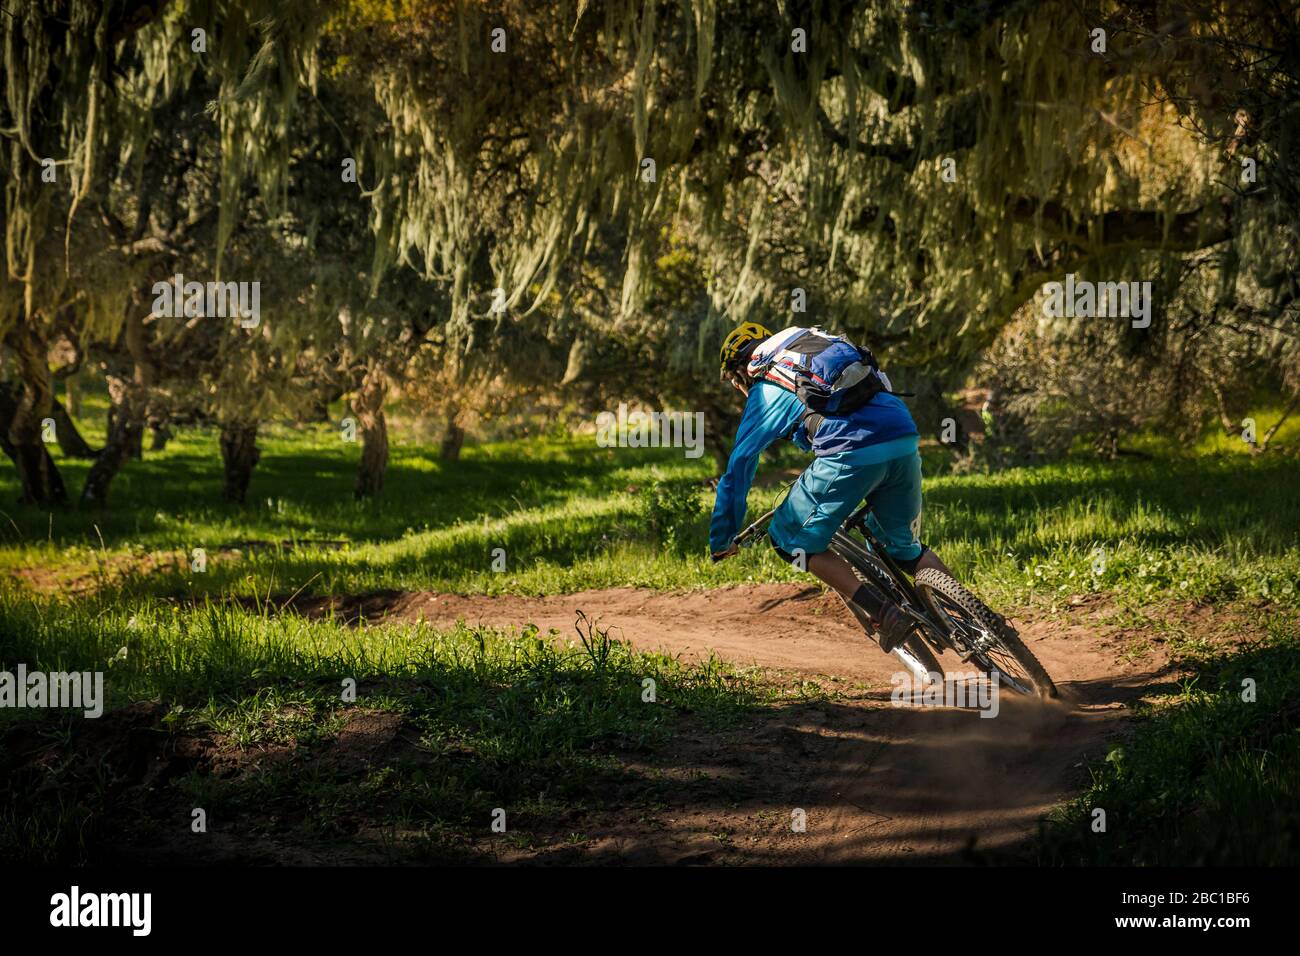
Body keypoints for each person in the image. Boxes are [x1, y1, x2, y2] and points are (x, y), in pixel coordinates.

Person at [709, 322, 955, 652]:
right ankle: (972, 619)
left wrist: (723, 537)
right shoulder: (819, 345)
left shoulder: (766, 385)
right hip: (903, 436)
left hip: (850, 452)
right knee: (904, 549)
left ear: (741, 371)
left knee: (788, 540)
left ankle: (885, 612)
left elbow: (739, 469)